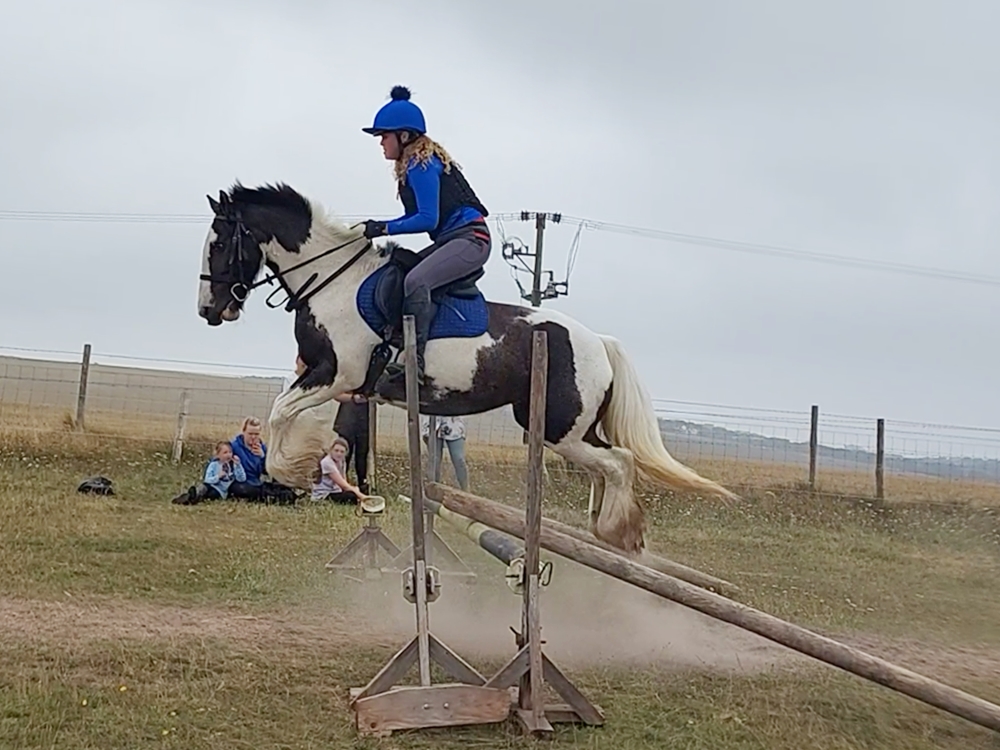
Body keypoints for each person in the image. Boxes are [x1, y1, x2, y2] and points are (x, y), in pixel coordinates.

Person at [360, 85, 492, 383]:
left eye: (384, 136)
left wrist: (383, 227)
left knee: (416, 280)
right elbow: (417, 217)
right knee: (399, 269)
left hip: (471, 240)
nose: (381, 142)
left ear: (404, 136)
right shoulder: (412, 164)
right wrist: (377, 226)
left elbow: (427, 219)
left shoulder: (421, 164)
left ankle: (414, 362)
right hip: (453, 239)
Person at [173, 441, 247, 505]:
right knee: (204, 488)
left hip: (221, 491)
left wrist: (238, 465)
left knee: (212, 494)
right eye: (225, 453)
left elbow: (242, 479)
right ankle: (192, 495)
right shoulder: (214, 465)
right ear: (218, 455)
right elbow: (207, 479)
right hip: (211, 485)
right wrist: (218, 477)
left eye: (230, 452)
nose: (228, 455)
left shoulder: (233, 465)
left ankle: (193, 498)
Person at [312, 437, 367, 504]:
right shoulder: (327, 462)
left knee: (358, 489)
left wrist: (355, 489)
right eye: (336, 450)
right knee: (352, 495)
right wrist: (362, 496)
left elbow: (344, 480)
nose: (339, 454)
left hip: (336, 491)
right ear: (331, 450)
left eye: (342, 452)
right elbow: (343, 485)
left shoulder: (342, 461)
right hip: (325, 494)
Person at [421, 415, 469, 491]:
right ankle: (433, 490)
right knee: (434, 461)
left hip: (453, 423)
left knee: (459, 459)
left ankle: (466, 490)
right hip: (432, 421)